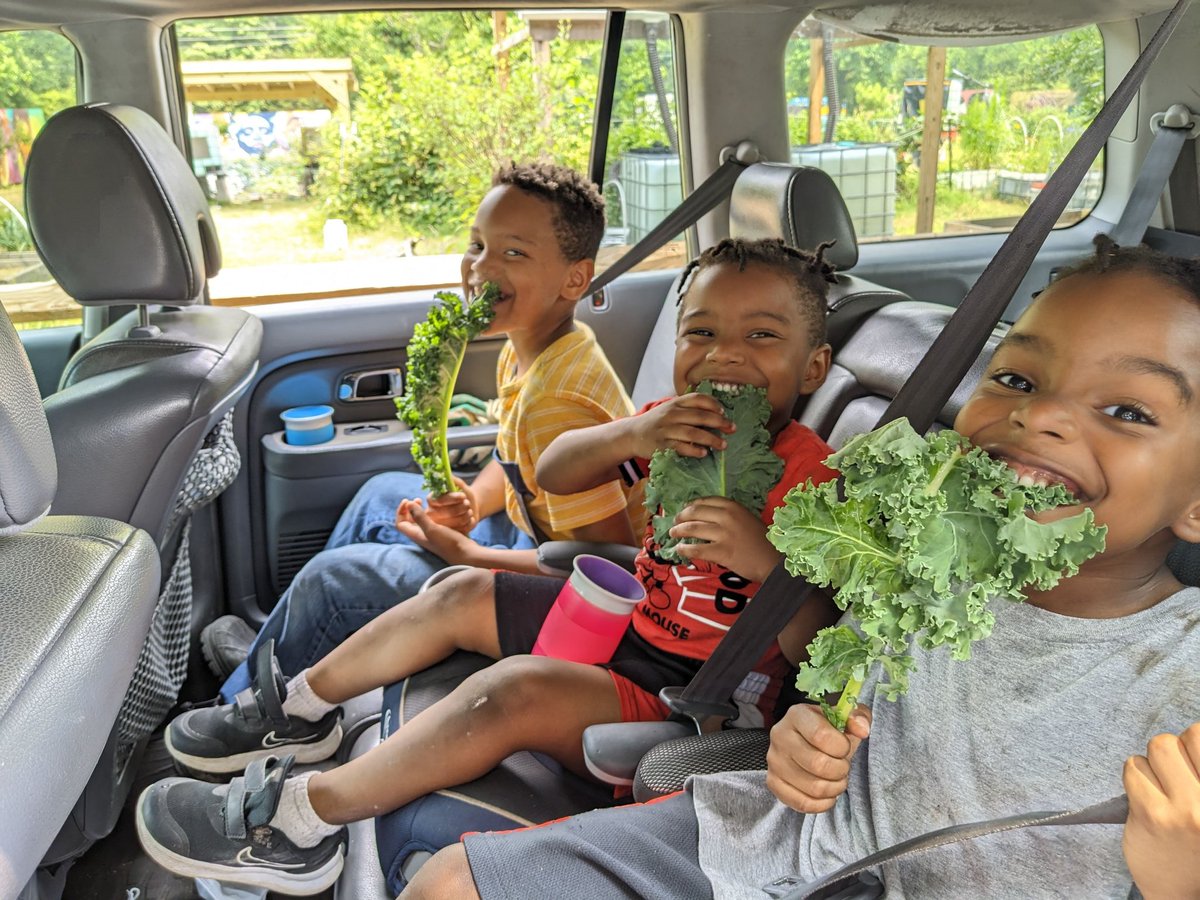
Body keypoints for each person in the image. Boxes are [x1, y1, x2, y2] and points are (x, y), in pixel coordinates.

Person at [399, 235, 1200, 900]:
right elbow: (825, 698)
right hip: (798, 848)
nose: (1043, 414)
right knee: (451, 884)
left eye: (1129, 410)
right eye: (1017, 378)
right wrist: (801, 740)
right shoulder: (912, 558)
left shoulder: (1182, 669)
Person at [135, 237, 845, 892]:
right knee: (463, 591)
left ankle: (298, 821)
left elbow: (818, 648)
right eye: (702, 331)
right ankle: (298, 709)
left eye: (762, 335)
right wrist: (636, 428)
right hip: (630, 626)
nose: (725, 354)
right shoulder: (670, 427)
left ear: (814, 364)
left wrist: (764, 559)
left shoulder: (817, 480)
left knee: (514, 692)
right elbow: (559, 471)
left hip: (704, 696)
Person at [213, 161, 643, 697]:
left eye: (514, 253)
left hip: (566, 600)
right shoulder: (539, 350)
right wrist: (474, 503)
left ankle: (248, 706)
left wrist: (468, 556)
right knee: (378, 495)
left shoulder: (557, 403)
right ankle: (284, 648)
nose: (481, 267)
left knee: (329, 581)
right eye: (477, 245)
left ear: (575, 278)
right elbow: (514, 459)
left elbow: (603, 572)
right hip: (530, 538)